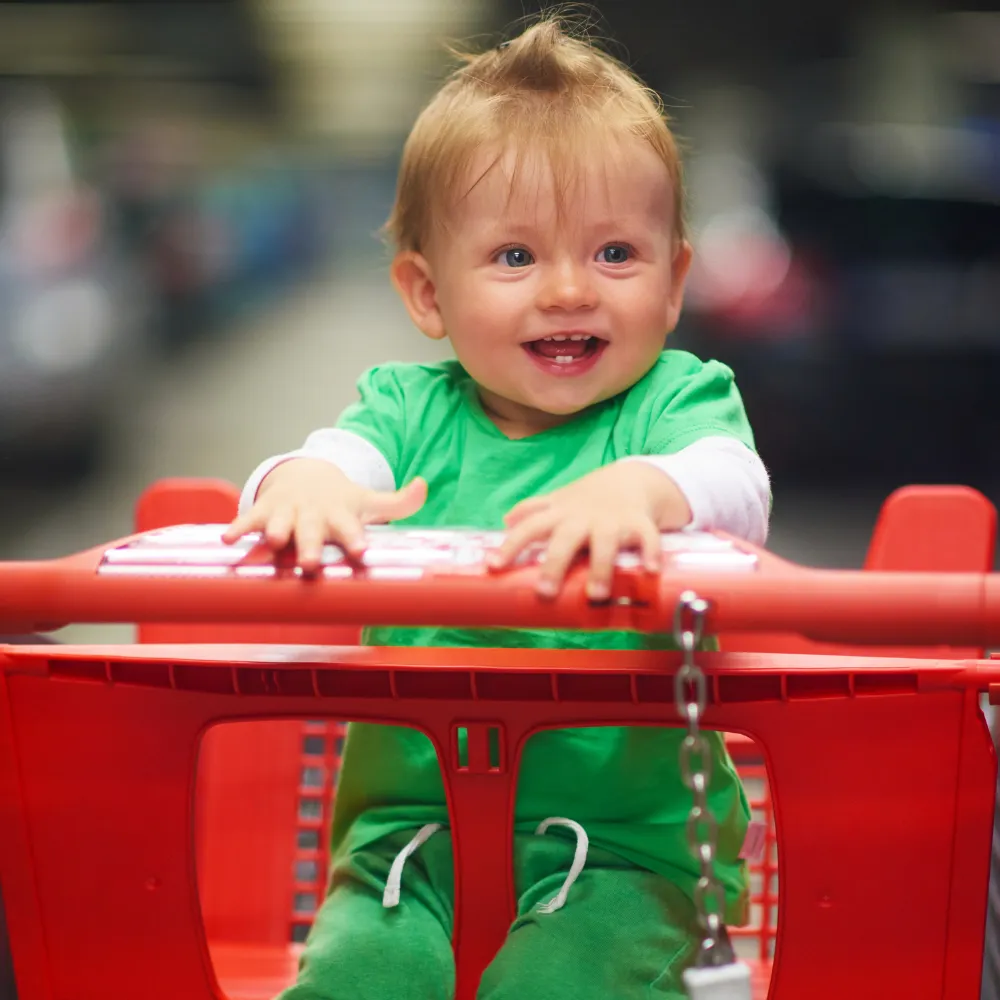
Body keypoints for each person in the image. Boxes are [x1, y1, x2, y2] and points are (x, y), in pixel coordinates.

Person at [225, 17, 771, 1000]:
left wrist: (647, 489)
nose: (567, 291)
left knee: (553, 985)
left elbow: (736, 487)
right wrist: (298, 487)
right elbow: (321, 463)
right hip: (408, 839)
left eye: (614, 253)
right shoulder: (403, 408)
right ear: (426, 293)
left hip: (628, 851)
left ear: (676, 279)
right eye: (515, 258)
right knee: (357, 977)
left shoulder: (676, 404)